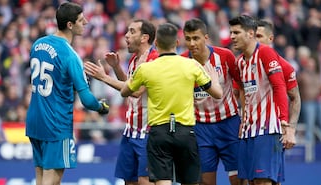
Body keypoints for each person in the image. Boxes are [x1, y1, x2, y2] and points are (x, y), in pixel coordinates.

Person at [120, 22, 223, 185]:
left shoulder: (146, 68)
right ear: (177, 43)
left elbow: (125, 91)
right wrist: (215, 81)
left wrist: (132, 74)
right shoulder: (191, 65)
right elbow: (217, 94)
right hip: (185, 131)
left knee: (162, 181)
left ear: (156, 43)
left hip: (159, 132)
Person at [25, 2, 108, 185]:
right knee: (52, 180)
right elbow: (86, 100)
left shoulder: (38, 44)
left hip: (34, 119)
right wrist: (101, 107)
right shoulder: (71, 56)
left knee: (40, 177)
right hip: (56, 123)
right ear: (70, 25)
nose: (85, 22)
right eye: (81, 20)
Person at [84, 19, 158, 185]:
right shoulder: (134, 59)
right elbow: (128, 88)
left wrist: (104, 77)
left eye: (132, 32)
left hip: (148, 132)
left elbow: (137, 91)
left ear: (145, 37)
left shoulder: (154, 60)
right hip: (130, 130)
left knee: (145, 180)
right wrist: (117, 68)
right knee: (129, 180)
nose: (126, 35)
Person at [181, 18, 244, 185]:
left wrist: (244, 118)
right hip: (201, 128)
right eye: (188, 39)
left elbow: (241, 84)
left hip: (229, 124)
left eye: (196, 38)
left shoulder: (224, 56)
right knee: (206, 181)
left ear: (206, 37)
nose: (192, 43)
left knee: (238, 179)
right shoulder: (181, 62)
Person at [229, 15, 289, 185]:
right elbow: (241, 89)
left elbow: (279, 86)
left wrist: (284, 122)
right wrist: (243, 118)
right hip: (248, 130)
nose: (232, 36)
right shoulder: (240, 62)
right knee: (251, 182)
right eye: (231, 32)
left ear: (250, 33)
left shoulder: (265, 52)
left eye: (236, 32)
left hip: (267, 129)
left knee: (264, 181)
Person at [256, 19, 301, 149]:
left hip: (271, 130)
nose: (256, 41)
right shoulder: (242, 61)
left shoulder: (285, 66)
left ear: (270, 39)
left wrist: (291, 129)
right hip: (248, 130)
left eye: (259, 36)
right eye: (254, 36)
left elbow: (295, 97)